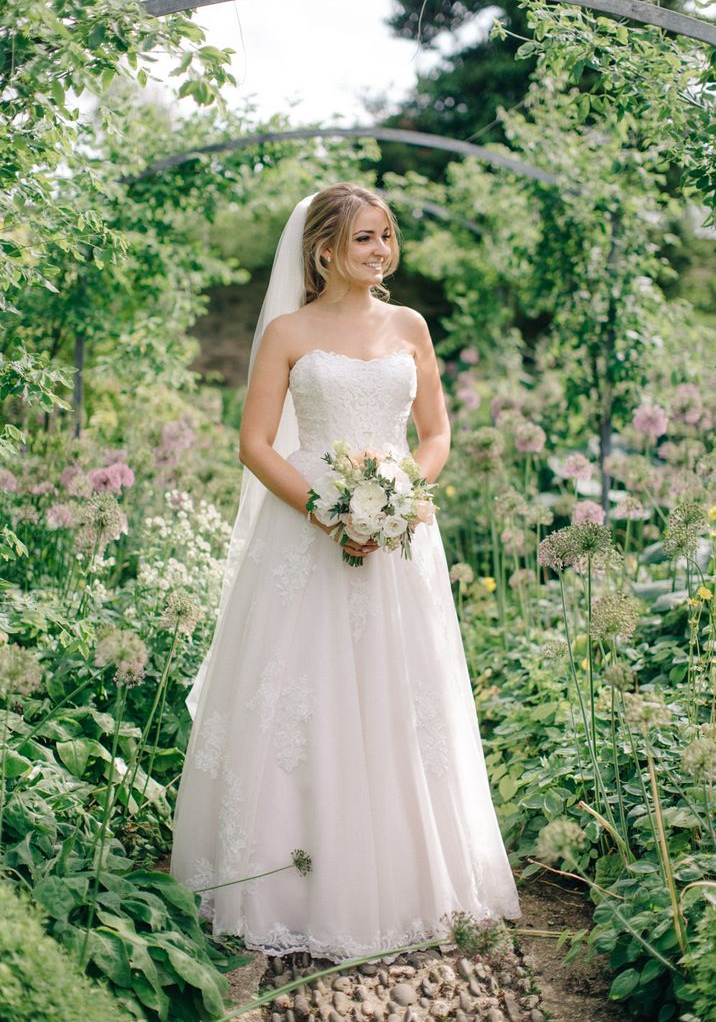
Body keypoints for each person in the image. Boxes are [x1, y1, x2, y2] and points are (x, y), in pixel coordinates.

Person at [169, 182, 521, 964]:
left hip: (399, 542)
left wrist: (400, 495)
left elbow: (435, 432)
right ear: (324, 249)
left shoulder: (410, 326)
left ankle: (406, 881)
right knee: (302, 699)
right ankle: (290, 884)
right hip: (306, 537)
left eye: (387, 235)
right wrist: (329, 512)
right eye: (365, 238)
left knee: (403, 701)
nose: (381, 250)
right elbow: (255, 444)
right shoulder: (289, 332)